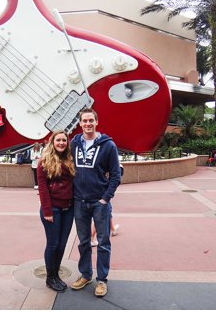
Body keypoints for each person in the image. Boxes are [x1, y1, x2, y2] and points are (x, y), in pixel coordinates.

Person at [69, 108, 121, 298]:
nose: (88, 124)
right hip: (79, 201)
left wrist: (105, 198)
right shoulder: (73, 144)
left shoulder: (108, 145)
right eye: (84, 121)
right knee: (83, 242)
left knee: (103, 242)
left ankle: (102, 280)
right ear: (80, 123)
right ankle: (86, 275)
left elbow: (116, 175)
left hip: (100, 202)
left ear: (96, 122)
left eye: (91, 120)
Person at [36, 131, 75, 292]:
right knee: (53, 244)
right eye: (58, 140)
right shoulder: (44, 161)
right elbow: (43, 188)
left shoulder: (70, 159)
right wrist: (47, 211)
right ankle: (50, 278)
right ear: (52, 142)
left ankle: (56, 275)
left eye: (64, 140)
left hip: (69, 208)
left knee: (62, 245)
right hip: (52, 209)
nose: (61, 143)